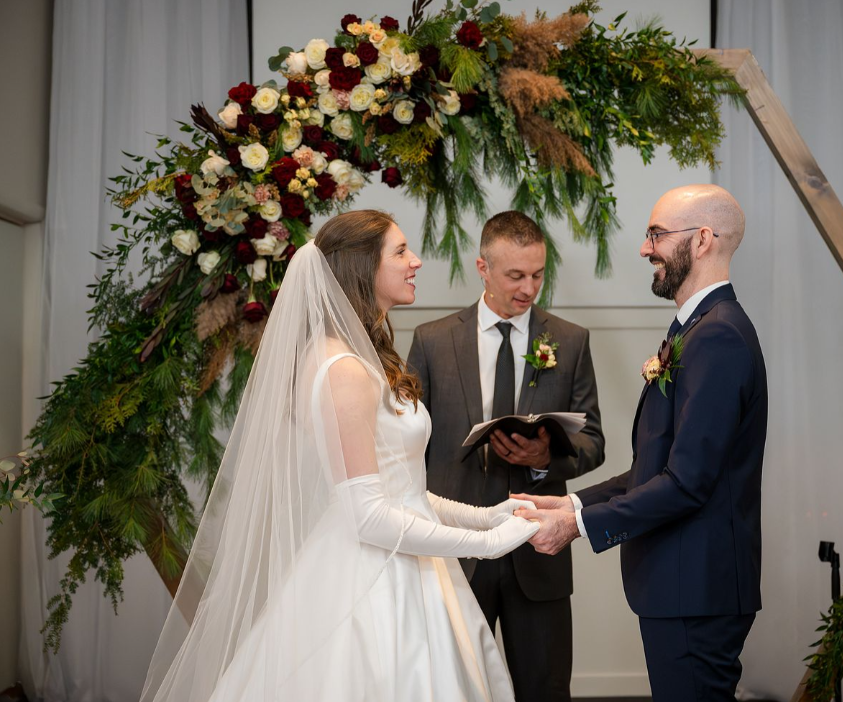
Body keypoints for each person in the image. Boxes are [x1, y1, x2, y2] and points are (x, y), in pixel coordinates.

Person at [141, 210, 539, 702]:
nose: (415, 262)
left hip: (404, 563)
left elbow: (403, 492)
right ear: (360, 267)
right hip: (371, 581)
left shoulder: (358, 357)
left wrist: (486, 516)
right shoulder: (343, 371)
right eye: (399, 252)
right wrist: (488, 543)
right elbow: (369, 515)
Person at [516, 185, 768, 701]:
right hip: (681, 586)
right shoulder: (695, 330)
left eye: (656, 234)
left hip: (696, 588)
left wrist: (577, 526)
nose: (644, 248)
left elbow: (687, 483)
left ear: (701, 240)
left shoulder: (717, 337)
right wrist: (572, 500)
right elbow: (659, 465)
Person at [408, 211, 605, 702]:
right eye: (516, 275)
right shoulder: (433, 341)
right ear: (483, 267)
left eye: (538, 274)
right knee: (450, 688)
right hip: (455, 550)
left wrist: (544, 457)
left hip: (538, 552)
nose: (529, 287)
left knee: (545, 690)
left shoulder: (570, 339)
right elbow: (408, 446)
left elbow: (593, 442)